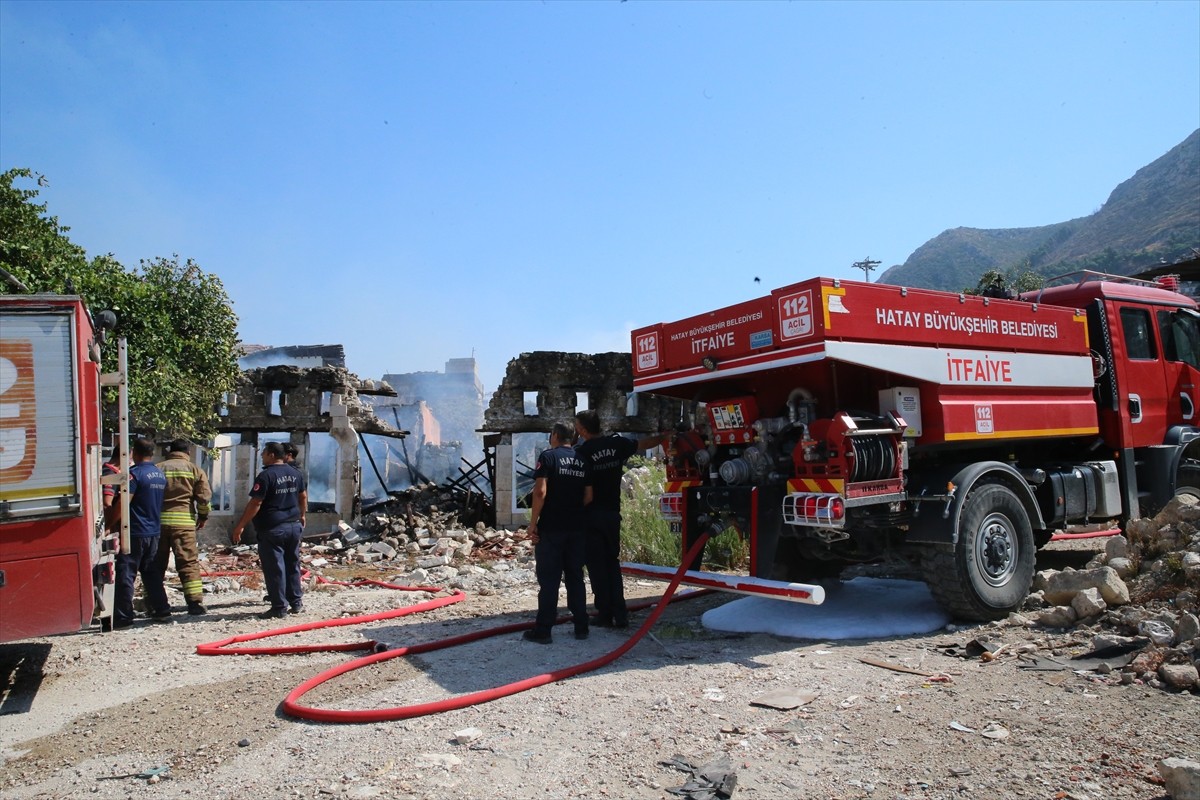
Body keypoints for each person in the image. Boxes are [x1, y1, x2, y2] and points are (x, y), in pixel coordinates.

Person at [574, 409, 665, 629]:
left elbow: (583, 490)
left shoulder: (582, 452)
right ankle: (621, 613)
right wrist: (666, 436)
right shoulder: (617, 444)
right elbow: (643, 444)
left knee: (596, 566)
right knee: (612, 564)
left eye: (577, 427)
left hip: (592, 516)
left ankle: (604, 614)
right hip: (613, 514)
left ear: (583, 430)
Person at [524, 422, 589, 644]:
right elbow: (588, 496)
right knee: (575, 577)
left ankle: (543, 631)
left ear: (555, 436)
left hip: (552, 528)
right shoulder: (583, 460)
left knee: (549, 580)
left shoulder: (549, 457)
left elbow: (540, 491)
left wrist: (533, 523)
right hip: (577, 528)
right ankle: (582, 626)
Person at [231, 441, 307, 619]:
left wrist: (240, 525)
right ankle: (296, 602)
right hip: (294, 526)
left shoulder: (266, 476)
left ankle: (279, 606)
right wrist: (302, 515)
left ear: (272, 455)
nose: (262, 456)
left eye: (264, 453)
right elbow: (302, 496)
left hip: (273, 528)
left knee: (275, 568)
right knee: (292, 564)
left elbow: (256, 502)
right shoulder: (295, 473)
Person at [113, 438, 169, 628]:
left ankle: (123, 617)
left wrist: (110, 524)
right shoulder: (159, 475)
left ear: (134, 454)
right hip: (153, 531)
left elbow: (123, 503)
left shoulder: (134, 475)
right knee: (151, 573)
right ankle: (162, 609)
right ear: (151, 453)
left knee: (126, 574)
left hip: (135, 532)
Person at [156, 439, 213, 616]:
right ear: (188, 452)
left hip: (158, 524)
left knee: (156, 565)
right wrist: (203, 516)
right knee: (188, 563)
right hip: (184, 524)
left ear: (169, 451)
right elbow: (204, 498)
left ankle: (156, 604)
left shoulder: (158, 468)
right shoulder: (195, 470)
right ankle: (194, 603)